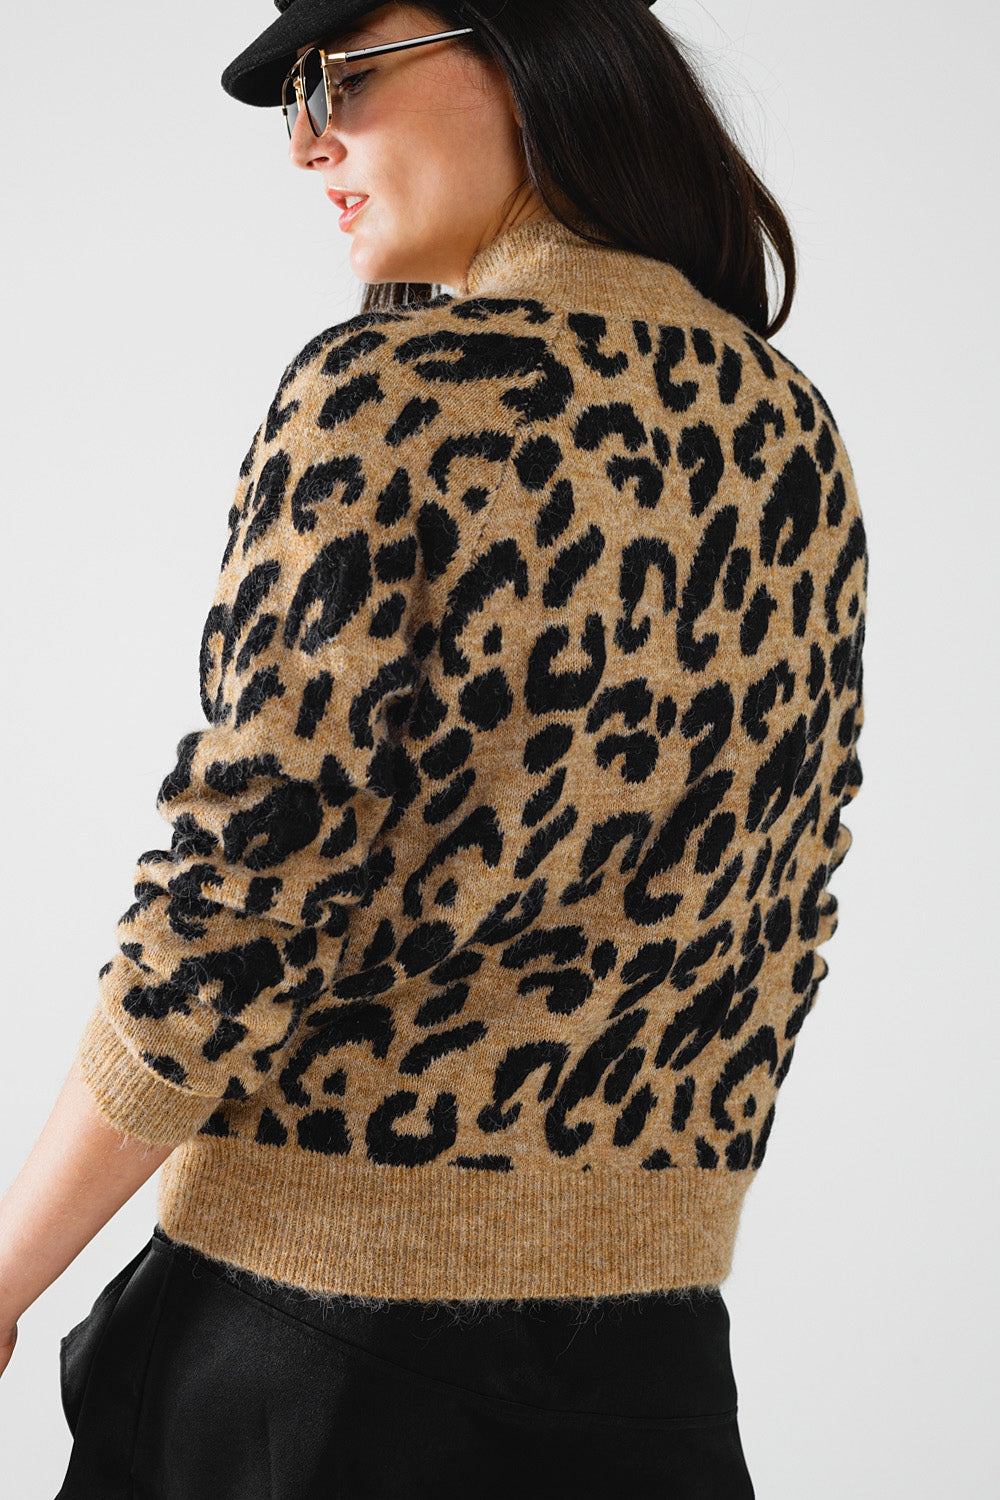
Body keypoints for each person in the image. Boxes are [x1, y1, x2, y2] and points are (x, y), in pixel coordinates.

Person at [0, 1, 869, 1495]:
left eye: (339, 82)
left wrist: (9, 1269)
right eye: (295, 101)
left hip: (312, 1361)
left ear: (525, 48)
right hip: (654, 1379)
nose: (308, 144)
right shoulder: (791, 428)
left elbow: (238, 900)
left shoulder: (385, 393)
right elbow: (786, 889)